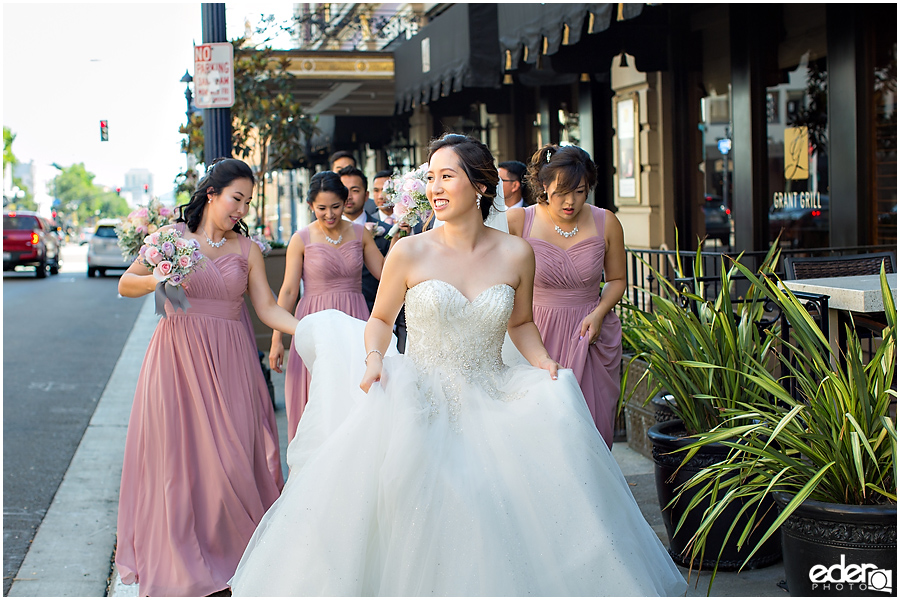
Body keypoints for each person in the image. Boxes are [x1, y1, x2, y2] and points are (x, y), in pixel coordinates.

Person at [228, 134, 686, 596]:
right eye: (431, 177)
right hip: (419, 399)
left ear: (480, 186)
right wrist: (373, 361)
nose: (435, 188)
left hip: (493, 393)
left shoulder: (516, 253)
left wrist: (545, 361)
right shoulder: (410, 251)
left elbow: (522, 323)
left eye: (447, 176)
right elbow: (381, 319)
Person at [115, 158, 302, 597]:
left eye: (247, 202)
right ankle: (183, 562)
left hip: (232, 361)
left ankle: (234, 555)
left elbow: (268, 308)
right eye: (236, 198)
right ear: (212, 194)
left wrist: (310, 326)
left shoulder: (248, 249)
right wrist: (162, 273)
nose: (241, 209)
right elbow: (126, 284)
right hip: (176, 360)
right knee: (180, 464)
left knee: (232, 460)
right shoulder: (170, 239)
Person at [507, 144, 626, 447]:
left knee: (592, 432)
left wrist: (599, 313)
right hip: (535, 331)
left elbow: (617, 279)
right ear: (543, 186)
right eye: (561, 192)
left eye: (580, 191)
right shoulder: (519, 221)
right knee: (543, 435)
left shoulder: (606, 221)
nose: (570, 201)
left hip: (590, 333)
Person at [270, 170, 386, 442]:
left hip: (355, 320)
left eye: (335, 206)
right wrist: (277, 340)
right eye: (321, 208)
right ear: (311, 205)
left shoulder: (361, 234)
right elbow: (288, 291)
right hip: (313, 324)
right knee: (316, 396)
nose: (329, 214)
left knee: (353, 397)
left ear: (345, 201)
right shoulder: (301, 239)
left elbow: (386, 274)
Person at [339, 165, 391, 312]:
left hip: (375, 313)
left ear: (366, 195)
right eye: (344, 190)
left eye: (355, 191)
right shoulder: (323, 234)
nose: (348, 196)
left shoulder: (386, 232)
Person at [329, 149, 377, 216]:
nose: (349, 196)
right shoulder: (324, 210)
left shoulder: (373, 207)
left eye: (355, 191)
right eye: (339, 170)